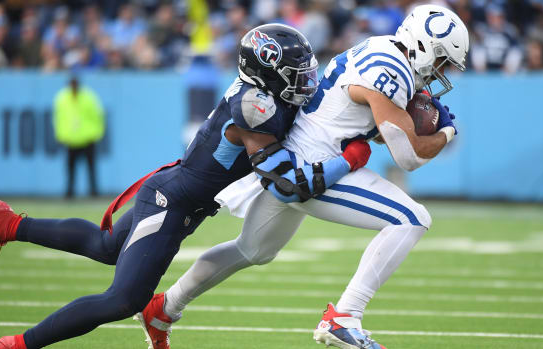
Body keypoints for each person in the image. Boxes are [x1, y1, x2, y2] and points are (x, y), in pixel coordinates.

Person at [0, 24, 372, 349]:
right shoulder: (256, 107)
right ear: (267, 74)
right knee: (123, 300)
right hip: (171, 202)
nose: (306, 81)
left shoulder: (264, 94)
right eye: (295, 74)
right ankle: (16, 344)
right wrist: (350, 157)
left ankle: (9, 225)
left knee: (106, 247)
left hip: (177, 192)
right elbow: (288, 183)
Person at [139, 4, 468, 349]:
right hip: (314, 166)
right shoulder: (392, 69)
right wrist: (446, 132)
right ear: (423, 46)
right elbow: (409, 156)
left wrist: (404, 125)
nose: (442, 72)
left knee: (253, 249)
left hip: (297, 155)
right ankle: (345, 316)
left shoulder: (383, 48)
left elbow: (377, 129)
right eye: (442, 60)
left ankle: (163, 308)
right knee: (412, 218)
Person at [53, 75, 105, 198]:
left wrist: (96, 133)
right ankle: (69, 191)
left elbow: (98, 115)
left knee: (91, 167)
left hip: (87, 138)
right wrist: (61, 135)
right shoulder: (62, 98)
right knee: (70, 168)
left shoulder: (88, 97)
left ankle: (93, 191)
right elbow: (59, 119)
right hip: (71, 139)